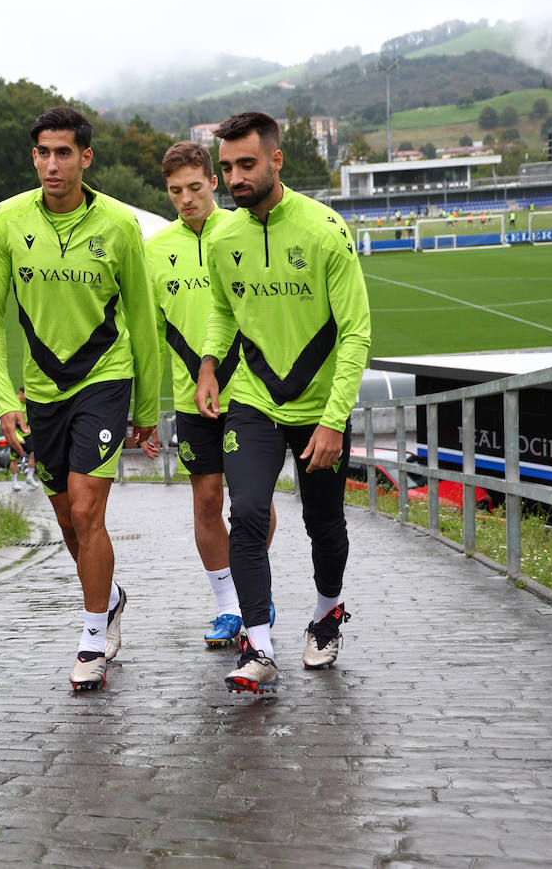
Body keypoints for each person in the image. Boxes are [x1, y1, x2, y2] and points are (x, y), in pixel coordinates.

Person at [0, 106, 161, 691]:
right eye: (42, 153)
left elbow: (142, 318)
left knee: (87, 509)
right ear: (33, 157)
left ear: (87, 157)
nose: (51, 164)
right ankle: (106, 601)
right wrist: (6, 397)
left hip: (105, 377)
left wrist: (148, 411)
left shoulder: (118, 224)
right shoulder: (7, 221)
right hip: (42, 390)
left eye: (64, 153)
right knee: (68, 522)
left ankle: (90, 640)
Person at [195, 112, 371, 696]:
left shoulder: (326, 230)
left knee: (323, 521)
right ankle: (259, 645)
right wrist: (210, 363)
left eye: (247, 164)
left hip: (321, 409)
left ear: (276, 160)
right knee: (244, 513)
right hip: (252, 402)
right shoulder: (221, 237)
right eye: (226, 168)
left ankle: (327, 613)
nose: (235, 178)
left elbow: (355, 333)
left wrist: (332, 420)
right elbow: (224, 309)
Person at [144, 141, 277, 649]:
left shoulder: (242, 232)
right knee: (205, 503)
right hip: (188, 399)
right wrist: (147, 408)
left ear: (213, 184)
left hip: (250, 394)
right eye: (175, 191)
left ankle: (254, 596)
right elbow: (152, 335)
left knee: (251, 504)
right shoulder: (155, 250)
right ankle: (229, 608)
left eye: (195, 188)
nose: (185, 199)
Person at [8, 384, 37, 491]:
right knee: (15, 459)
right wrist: (18, 438)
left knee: (34, 454)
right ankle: (14, 482)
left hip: (27, 434)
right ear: (21, 394)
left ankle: (29, 477)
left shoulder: (29, 402)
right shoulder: (13, 403)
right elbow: (11, 423)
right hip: (15, 434)